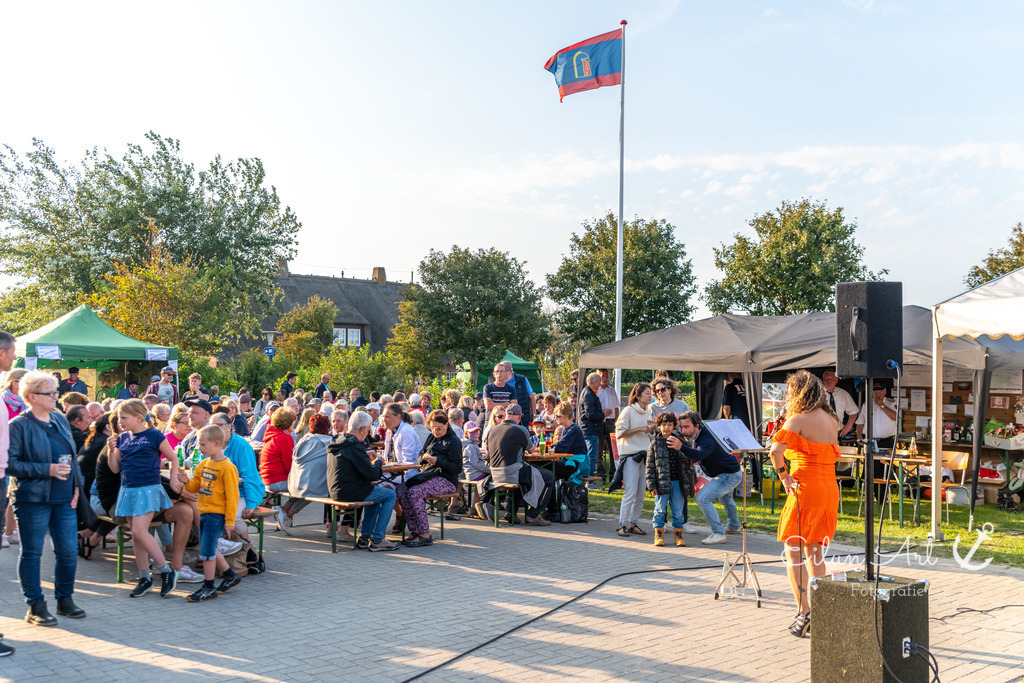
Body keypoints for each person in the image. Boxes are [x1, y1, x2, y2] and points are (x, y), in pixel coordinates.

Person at [8, 370, 87, 629]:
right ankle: (35, 605)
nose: (56, 396)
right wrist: (47, 469)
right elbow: (11, 464)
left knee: (68, 552)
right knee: (32, 553)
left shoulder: (59, 419)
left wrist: (78, 486)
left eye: (56, 392)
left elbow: (72, 455)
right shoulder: (18, 425)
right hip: (33, 499)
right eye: (50, 393)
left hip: (64, 497)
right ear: (32, 396)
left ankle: (65, 599)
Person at [769, 370, 840, 638]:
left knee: (794, 550)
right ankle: (817, 609)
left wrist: (783, 476)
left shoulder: (797, 419)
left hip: (805, 487)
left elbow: (776, 452)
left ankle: (804, 611)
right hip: (828, 488)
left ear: (796, 393)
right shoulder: (831, 419)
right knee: (815, 551)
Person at [108, 398, 181, 598]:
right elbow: (115, 468)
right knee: (137, 534)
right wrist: (110, 449)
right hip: (128, 489)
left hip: (148, 488)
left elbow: (173, 457)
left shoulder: (154, 435)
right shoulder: (122, 438)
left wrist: (174, 479)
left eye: (124, 417)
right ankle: (145, 578)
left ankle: (166, 570)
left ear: (139, 417)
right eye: (119, 417)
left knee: (140, 532)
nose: (120, 421)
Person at [182, 424, 242, 602]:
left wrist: (230, 521)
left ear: (217, 443)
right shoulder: (203, 464)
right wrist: (186, 481)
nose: (199, 448)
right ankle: (230, 576)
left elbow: (233, 497)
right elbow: (196, 487)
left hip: (217, 515)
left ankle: (209, 587)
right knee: (210, 547)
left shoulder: (227, 468)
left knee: (206, 551)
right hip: (204, 511)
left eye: (202, 444)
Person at [327, 411, 400, 552]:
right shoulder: (355, 445)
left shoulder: (339, 439)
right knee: (390, 494)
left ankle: (365, 538)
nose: (368, 434)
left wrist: (365, 455)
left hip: (336, 489)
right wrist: (378, 462)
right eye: (368, 430)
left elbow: (349, 459)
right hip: (350, 491)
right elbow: (372, 474)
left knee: (376, 495)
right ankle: (378, 539)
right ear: (362, 429)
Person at [395, 410, 461, 547]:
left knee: (415, 492)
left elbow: (457, 468)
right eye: (433, 428)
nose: (436, 431)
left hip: (446, 479)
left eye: (439, 428)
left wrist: (438, 461)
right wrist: (424, 458)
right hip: (429, 475)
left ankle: (425, 534)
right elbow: (420, 456)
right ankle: (415, 530)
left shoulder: (453, 441)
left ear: (447, 425)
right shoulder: (431, 437)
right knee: (401, 490)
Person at [677, 411, 742, 545]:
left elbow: (699, 455)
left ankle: (718, 533)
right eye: (681, 427)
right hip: (728, 471)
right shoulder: (700, 435)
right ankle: (734, 527)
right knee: (726, 498)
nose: (683, 431)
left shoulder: (707, 438)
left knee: (702, 498)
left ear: (697, 426)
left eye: (687, 427)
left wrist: (681, 447)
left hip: (729, 474)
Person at [486, 405, 553, 526]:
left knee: (524, 473)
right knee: (549, 476)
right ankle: (533, 514)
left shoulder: (492, 430)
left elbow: (488, 454)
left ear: (506, 415)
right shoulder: (520, 429)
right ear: (520, 416)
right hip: (512, 473)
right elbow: (532, 450)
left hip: (494, 474)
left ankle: (511, 512)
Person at [647, 412, 693, 547]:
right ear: (658, 426)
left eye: (670, 425)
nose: (667, 427)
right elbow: (649, 466)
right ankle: (658, 533)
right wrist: (651, 484)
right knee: (660, 510)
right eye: (664, 425)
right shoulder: (655, 444)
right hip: (662, 483)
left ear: (674, 426)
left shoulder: (680, 442)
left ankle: (678, 534)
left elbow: (687, 462)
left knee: (678, 511)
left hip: (678, 482)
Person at [614, 383, 654, 537]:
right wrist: (640, 428)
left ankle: (633, 523)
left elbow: (649, 436)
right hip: (630, 455)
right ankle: (622, 525)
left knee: (640, 494)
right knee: (630, 492)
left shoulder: (648, 412)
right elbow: (620, 433)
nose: (650, 396)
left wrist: (650, 431)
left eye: (651, 393)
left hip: (645, 455)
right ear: (638, 396)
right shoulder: (628, 411)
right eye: (647, 393)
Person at [722, 373, 759, 491]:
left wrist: (728, 421)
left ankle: (734, 483)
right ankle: (755, 483)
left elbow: (726, 407)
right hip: (751, 424)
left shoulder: (729, 387)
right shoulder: (750, 387)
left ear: (730, 376)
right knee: (752, 453)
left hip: (736, 424)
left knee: (734, 453)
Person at [550, 402, 588, 486]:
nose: (555, 418)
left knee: (549, 466)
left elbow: (561, 447)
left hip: (578, 465)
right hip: (570, 462)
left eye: (558, 416)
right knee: (549, 476)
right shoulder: (565, 429)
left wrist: (547, 448)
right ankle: (554, 498)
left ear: (566, 416)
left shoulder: (574, 429)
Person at [579, 372, 604, 484]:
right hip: (590, 430)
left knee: (589, 456)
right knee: (591, 456)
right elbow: (591, 414)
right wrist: (604, 414)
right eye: (599, 381)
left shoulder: (587, 392)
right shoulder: (589, 395)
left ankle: (586, 479)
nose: (600, 384)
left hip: (588, 429)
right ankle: (589, 481)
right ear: (594, 382)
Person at [596, 369, 619, 481]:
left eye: (606, 375)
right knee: (598, 449)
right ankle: (601, 476)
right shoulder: (595, 391)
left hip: (610, 422)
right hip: (599, 422)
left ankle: (613, 475)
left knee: (613, 449)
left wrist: (615, 421)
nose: (604, 378)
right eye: (602, 375)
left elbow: (616, 408)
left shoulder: (611, 390)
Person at [822, 370, 858, 439]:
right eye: (825, 379)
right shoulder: (817, 394)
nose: (827, 381)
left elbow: (853, 412)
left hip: (837, 433)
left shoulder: (843, 394)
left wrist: (847, 427)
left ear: (836, 380)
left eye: (830, 379)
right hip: (820, 433)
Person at [503, 360, 535, 426]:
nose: (501, 374)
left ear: (510, 371)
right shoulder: (499, 383)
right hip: (505, 420)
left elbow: (532, 397)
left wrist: (534, 415)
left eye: (503, 371)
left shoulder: (522, 379)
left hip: (523, 419)